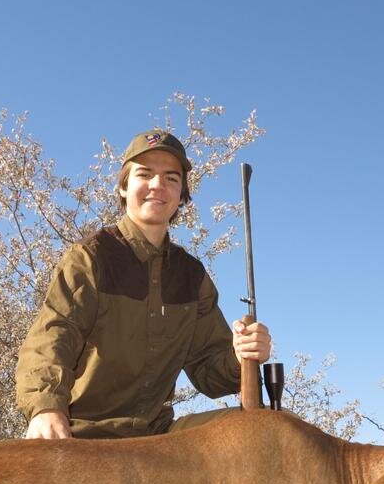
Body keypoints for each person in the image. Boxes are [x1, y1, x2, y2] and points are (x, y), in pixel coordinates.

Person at [16, 129, 272, 439]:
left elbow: (211, 375)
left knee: (267, 431)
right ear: (124, 187)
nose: (157, 186)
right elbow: (53, 335)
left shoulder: (192, 276)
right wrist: (46, 407)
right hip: (83, 435)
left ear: (181, 196)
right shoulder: (89, 258)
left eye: (171, 178)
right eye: (144, 174)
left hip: (159, 436)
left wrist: (241, 353)